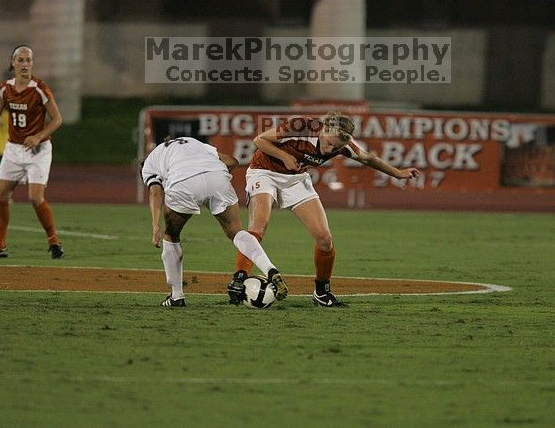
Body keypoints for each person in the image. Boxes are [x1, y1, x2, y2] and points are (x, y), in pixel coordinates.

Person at [230, 111, 420, 307]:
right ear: (324, 128)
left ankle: (322, 292)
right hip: (264, 172)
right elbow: (259, 140)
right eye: (329, 142)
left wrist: (398, 173)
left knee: (325, 239)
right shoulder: (300, 127)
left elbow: (368, 158)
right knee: (259, 227)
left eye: (335, 147)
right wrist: (284, 155)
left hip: (296, 180)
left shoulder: (342, 145)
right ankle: (239, 278)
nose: (329, 149)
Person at [141, 135, 288, 307]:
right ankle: (270, 269)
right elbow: (232, 161)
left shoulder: (150, 162)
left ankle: (176, 296)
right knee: (236, 232)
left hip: (183, 183)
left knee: (171, 235)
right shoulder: (192, 142)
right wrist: (214, 187)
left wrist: (155, 225)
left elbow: (155, 193)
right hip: (217, 176)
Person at [0, 45, 64, 259]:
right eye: (21, 60)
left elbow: (57, 119)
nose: (25, 64)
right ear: (13, 63)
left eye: (29, 60)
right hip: (14, 149)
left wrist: (38, 136)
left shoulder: (40, 89)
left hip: (38, 150)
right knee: (0, 196)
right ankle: (0, 246)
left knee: (35, 197)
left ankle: (54, 242)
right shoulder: (4, 89)